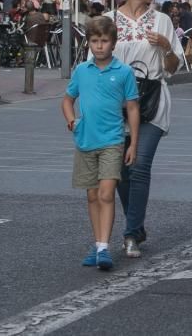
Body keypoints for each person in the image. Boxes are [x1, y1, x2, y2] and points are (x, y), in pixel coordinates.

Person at [110, 0, 184, 258]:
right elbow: (94, 60)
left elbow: (174, 67)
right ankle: (136, 224)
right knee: (121, 171)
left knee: (139, 165)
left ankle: (130, 233)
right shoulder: (109, 20)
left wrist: (166, 46)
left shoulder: (161, 21)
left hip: (152, 99)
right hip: (116, 103)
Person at [61, 15, 140, 272]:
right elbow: (67, 99)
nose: (99, 46)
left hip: (113, 141)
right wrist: (72, 121)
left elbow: (132, 108)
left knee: (106, 193)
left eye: (104, 41)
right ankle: (97, 244)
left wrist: (133, 144)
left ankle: (105, 247)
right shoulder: (82, 71)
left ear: (113, 43)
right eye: (94, 41)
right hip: (85, 140)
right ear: (89, 43)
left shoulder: (124, 72)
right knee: (92, 194)